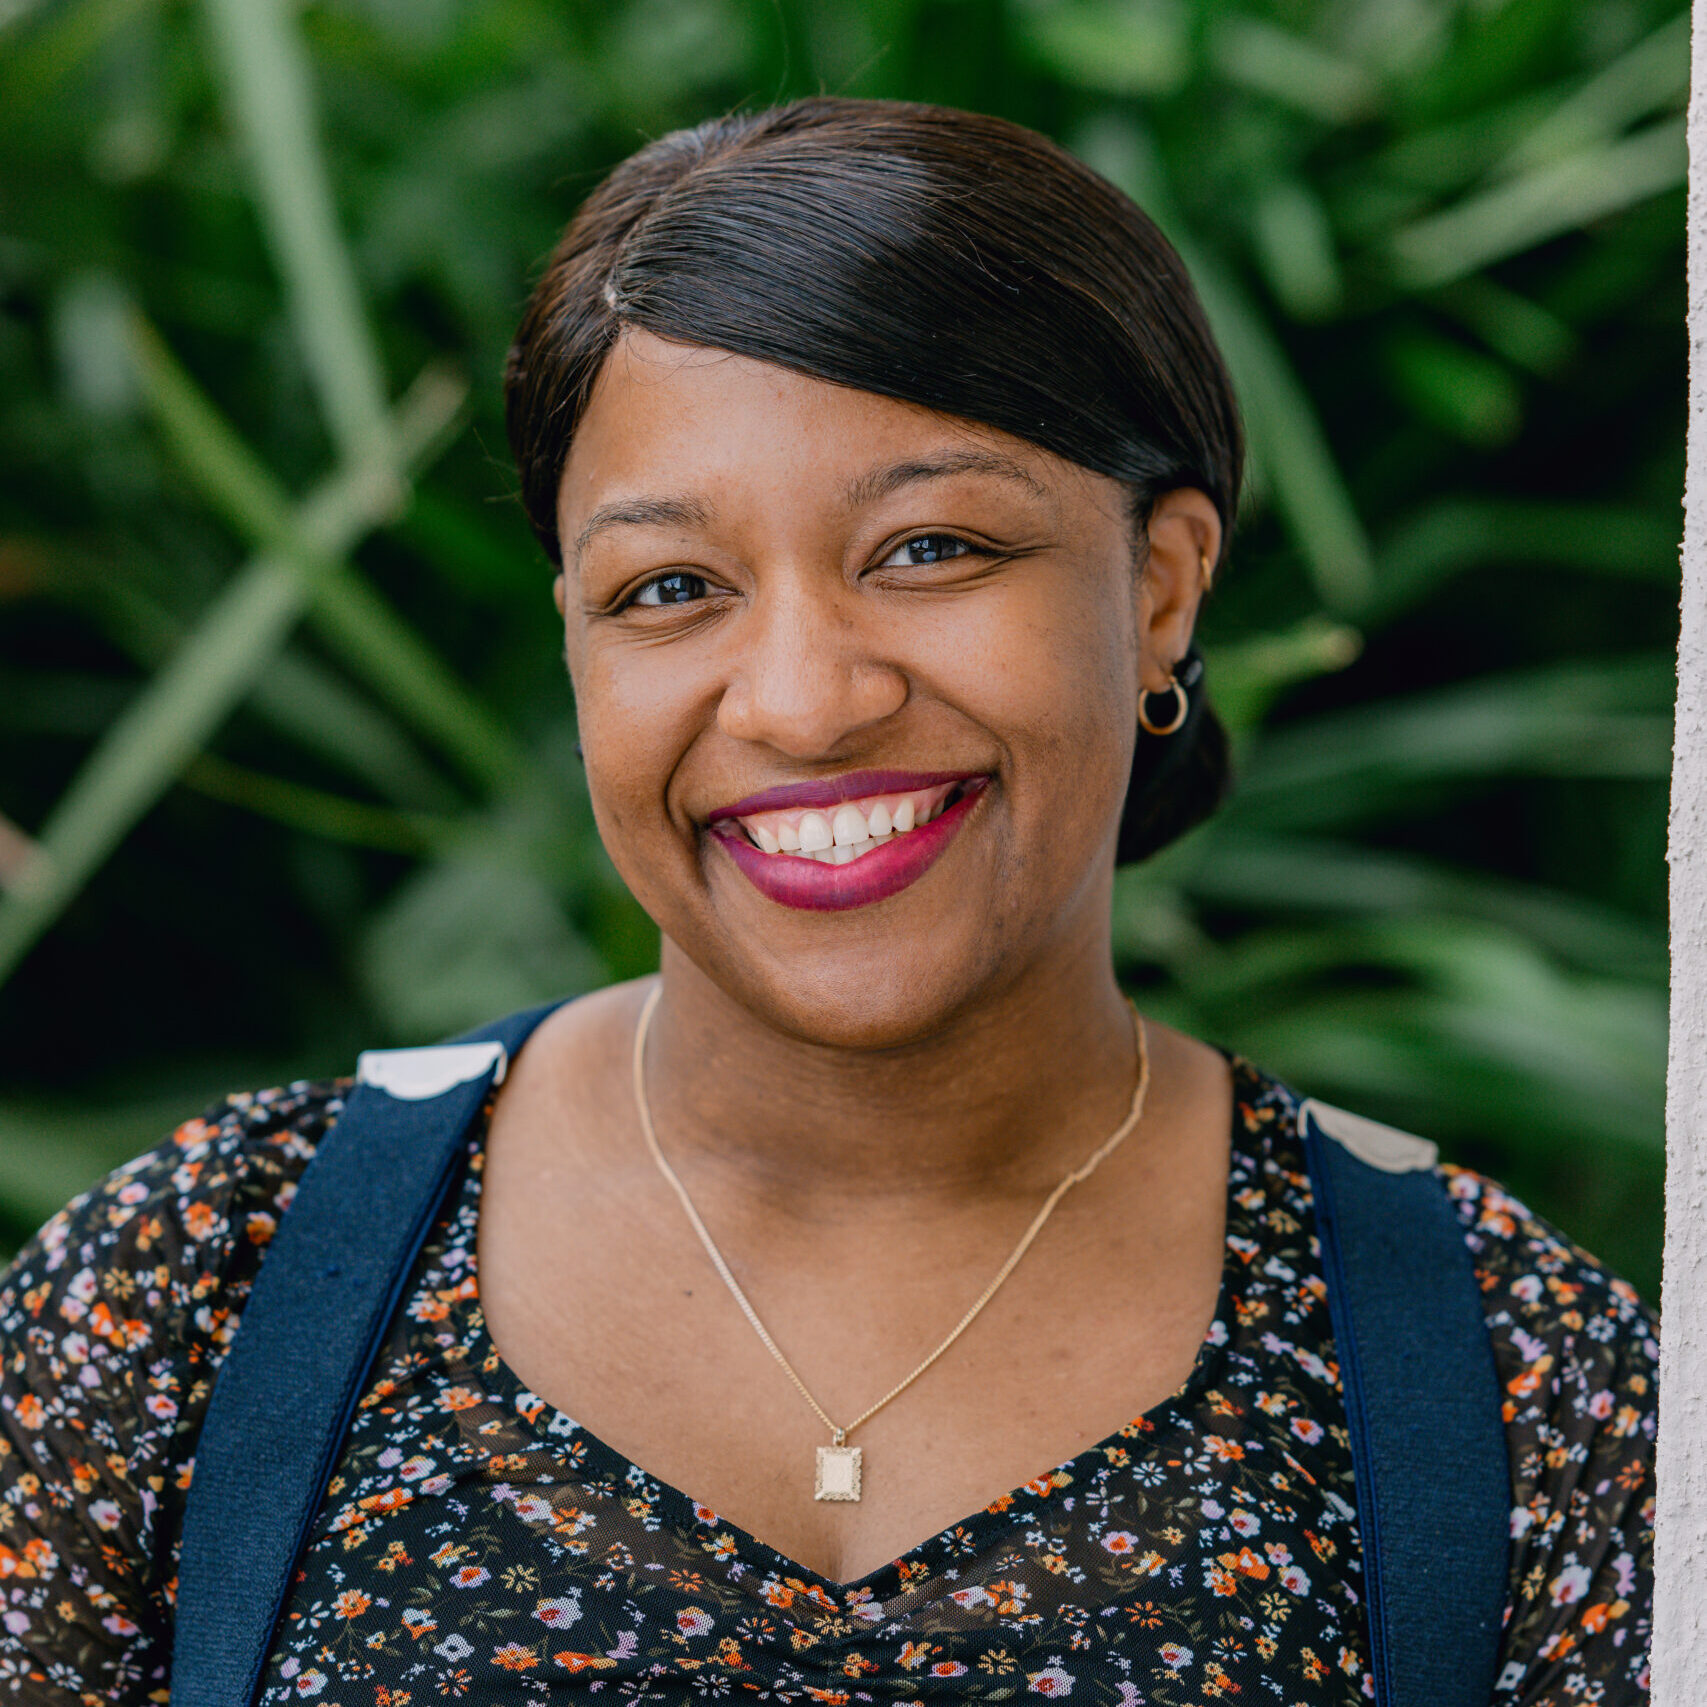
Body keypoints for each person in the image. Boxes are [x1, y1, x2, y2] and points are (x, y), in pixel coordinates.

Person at [0, 99, 1655, 1705]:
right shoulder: (201, 1290)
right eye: (670, 589)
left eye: (929, 549)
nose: (802, 701)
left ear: (1159, 590)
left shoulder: (1509, 1379)